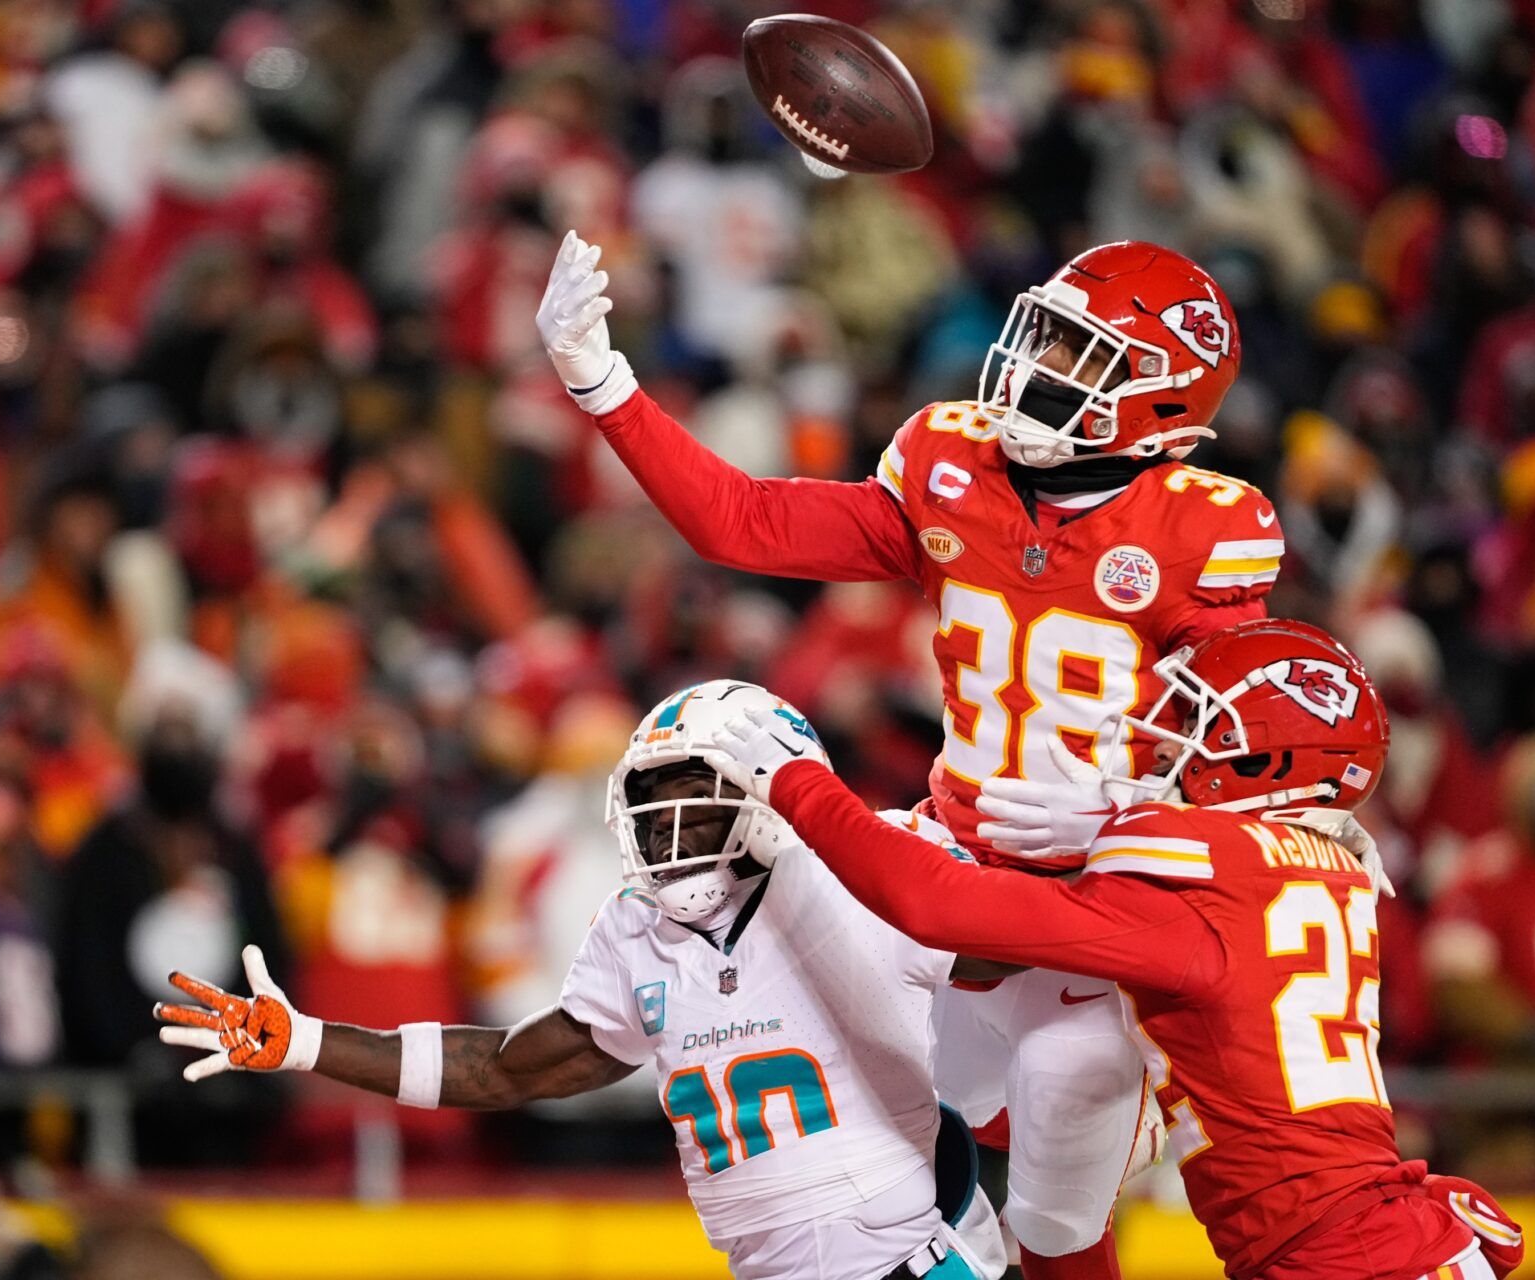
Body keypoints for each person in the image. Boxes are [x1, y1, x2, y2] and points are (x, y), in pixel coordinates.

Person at [539, 229, 1279, 1278]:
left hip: (1096, 904)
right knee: (890, 1151)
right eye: (1047, 338)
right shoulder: (952, 462)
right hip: (950, 872)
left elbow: (1248, 748)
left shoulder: (1205, 528)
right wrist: (599, 377)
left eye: (1080, 356)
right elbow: (746, 524)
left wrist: (1126, 822)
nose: (1038, 369)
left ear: (1160, 398)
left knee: (1060, 1215)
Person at [707, 621, 1527, 1280]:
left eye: (1199, 730)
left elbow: (934, 903)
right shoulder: (1334, 864)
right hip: (1375, 1238)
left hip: (1340, 1259)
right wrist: (1111, 832)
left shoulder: (1201, 881)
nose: (1167, 748)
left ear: (1267, 760)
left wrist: (797, 785)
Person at [153, 679, 1008, 1280]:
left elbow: (1030, 951)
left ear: (772, 794)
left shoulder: (864, 873)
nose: (668, 837)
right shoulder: (636, 929)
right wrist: (305, 1041)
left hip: (918, 1262)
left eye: (694, 801)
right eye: (653, 808)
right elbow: (505, 1067)